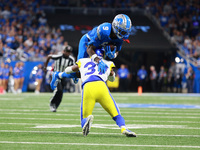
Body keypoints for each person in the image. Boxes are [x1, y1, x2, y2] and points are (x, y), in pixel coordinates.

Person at [50, 49, 137, 137]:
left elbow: (68, 70)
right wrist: (109, 73)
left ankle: (86, 122)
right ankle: (124, 128)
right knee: (116, 113)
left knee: (84, 116)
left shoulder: (83, 61)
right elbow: (112, 79)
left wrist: (71, 73)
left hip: (88, 87)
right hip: (102, 87)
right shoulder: (107, 63)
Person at [44, 45, 77, 112]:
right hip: (56, 75)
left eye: (69, 52)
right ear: (63, 51)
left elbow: (74, 66)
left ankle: (55, 106)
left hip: (64, 76)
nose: (68, 53)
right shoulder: (59, 56)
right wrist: (45, 67)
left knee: (61, 92)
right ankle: (52, 102)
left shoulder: (71, 59)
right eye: (67, 52)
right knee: (58, 89)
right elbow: (49, 56)